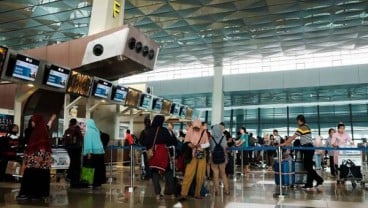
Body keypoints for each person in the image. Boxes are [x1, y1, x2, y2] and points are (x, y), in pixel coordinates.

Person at [280, 115, 323, 190]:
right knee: (308, 167)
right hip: (307, 148)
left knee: (307, 166)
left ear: (299, 120)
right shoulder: (307, 126)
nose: (297, 122)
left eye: (297, 121)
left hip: (308, 148)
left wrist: (284, 143)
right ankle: (309, 184)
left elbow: (293, 137)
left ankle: (319, 180)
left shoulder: (303, 127)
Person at [17, 115, 52, 201]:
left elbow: (38, 145)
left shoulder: (37, 131)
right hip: (42, 159)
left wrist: (35, 157)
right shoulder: (43, 130)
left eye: (33, 121)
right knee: (40, 175)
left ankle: (29, 194)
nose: (32, 123)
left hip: (36, 157)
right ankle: (39, 195)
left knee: (31, 174)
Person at [143, 115, 176, 200]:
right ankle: (172, 193)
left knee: (154, 173)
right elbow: (170, 142)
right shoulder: (164, 130)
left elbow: (146, 143)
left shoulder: (150, 130)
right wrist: (172, 155)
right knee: (168, 173)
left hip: (153, 154)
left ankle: (157, 194)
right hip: (164, 154)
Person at [179, 120, 209, 201]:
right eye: (195, 127)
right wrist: (190, 144)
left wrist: (200, 145)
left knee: (200, 175)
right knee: (188, 174)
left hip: (201, 155)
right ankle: (183, 194)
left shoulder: (203, 132)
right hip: (191, 155)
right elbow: (186, 141)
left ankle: (197, 193)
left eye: (197, 128)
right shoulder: (190, 131)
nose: (196, 129)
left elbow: (207, 144)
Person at [83, 119, 106, 188]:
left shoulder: (89, 132)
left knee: (89, 167)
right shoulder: (97, 131)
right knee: (98, 168)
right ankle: (98, 182)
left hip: (92, 152)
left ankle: (89, 182)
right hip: (100, 152)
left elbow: (89, 143)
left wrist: (89, 153)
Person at [63, 118, 83, 188]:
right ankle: (75, 180)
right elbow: (81, 137)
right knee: (76, 164)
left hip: (69, 148)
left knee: (72, 162)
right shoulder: (77, 129)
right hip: (76, 148)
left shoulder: (67, 130)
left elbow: (64, 139)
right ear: (75, 123)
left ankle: (70, 176)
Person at [210, 125, 230, 195]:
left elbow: (211, 149)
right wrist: (226, 158)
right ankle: (227, 190)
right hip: (222, 158)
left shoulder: (211, 138)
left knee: (215, 174)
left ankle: (217, 191)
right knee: (223, 174)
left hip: (214, 158)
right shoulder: (223, 137)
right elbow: (225, 148)